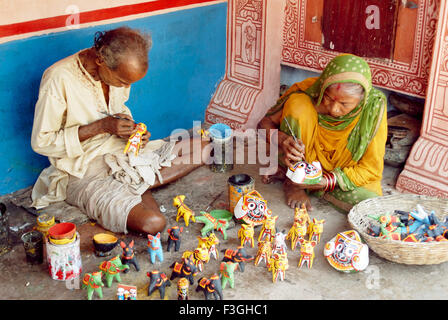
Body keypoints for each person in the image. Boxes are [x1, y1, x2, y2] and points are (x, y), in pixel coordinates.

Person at [31, 27, 208, 235]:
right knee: (153, 222)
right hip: (82, 168)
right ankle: (136, 181)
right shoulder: (58, 78)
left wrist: (132, 131)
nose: (126, 86)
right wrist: (101, 126)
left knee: (203, 147)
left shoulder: (116, 70)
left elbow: (118, 110)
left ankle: (134, 181)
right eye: (123, 82)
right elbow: (41, 142)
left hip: (121, 152)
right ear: (101, 61)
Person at [257, 54, 387, 212]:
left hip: (343, 171)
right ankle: (294, 183)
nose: (334, 109)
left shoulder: (373, 108)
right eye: (328, 98)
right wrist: (283, 139)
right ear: (323, 87)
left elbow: (371, 169)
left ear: (361, 100)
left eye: (344, 104)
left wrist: (328, 181)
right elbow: (263, 125)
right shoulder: (309, 92)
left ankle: (302, 181)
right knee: (298, 105)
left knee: (370, 205)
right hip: (303, 162)